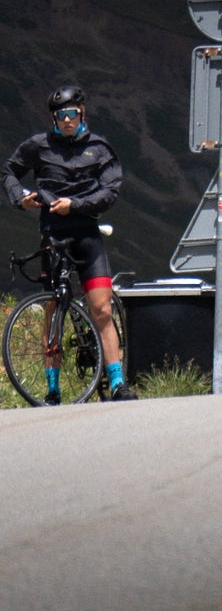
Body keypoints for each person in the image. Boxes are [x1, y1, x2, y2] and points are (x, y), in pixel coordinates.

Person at [2, 85, 131, 403]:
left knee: (101, 308)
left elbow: (110, 190)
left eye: (72, 113)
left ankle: (117, 383)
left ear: (82, 112)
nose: (67, 120)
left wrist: (73, 204)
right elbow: (9, 172)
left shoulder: (99, 147)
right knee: (53, 309)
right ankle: (53, 389)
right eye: (60, 116)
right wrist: (22, 198)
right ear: (53, 118)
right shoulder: (38, 145)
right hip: (54, 236)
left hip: (87, 234)